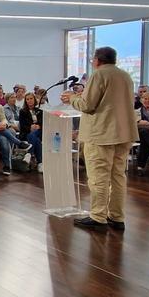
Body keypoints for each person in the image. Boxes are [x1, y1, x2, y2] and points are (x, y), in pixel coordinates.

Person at [62, 47, 137, 231]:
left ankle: (98, 216)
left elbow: (87, 105)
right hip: (123, 132)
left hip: (102, 133)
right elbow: (108, 101)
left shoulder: (98, 75)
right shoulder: (125, 76)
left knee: (98, 176)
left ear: (97, 60)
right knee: (118, 176)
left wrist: (71, 97)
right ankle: (117, 217)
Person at [18, 93, 44, 173]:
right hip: (26, 133)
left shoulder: (40, 110)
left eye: (31, 99)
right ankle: (40, 163)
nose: (29, 101)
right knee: (36, 139)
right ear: (25, 101)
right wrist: (30, 127)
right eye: (27, 99)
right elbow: (22, 125)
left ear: (34, 99)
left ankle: (29, 153)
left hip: (39, 132)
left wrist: (39, 126)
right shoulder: (22, 111)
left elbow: (44, 122)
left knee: (34, 134)